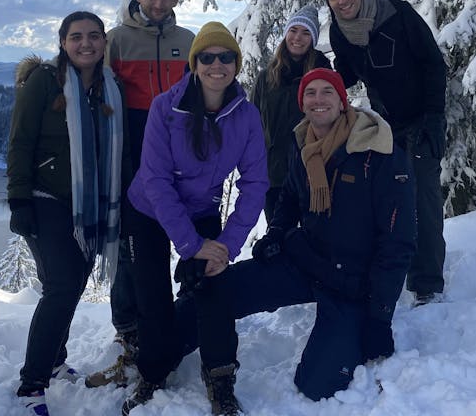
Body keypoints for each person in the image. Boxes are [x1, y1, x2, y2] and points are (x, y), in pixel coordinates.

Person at [176, 68, 416, 402]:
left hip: (353, 281)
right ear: (302, 102)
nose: (318, 100)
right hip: (307, 259)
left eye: (327, 92)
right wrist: (276, 233)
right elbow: (289, 195)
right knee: (219, 289)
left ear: (342, 100)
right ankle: (161, 346)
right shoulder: (303, 141)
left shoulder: (378, 152)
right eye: (310, 93)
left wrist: (380, 317)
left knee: (317, 385)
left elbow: (398, 243)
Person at [121, 22, 267, 416]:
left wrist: (226, 246)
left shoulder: (246, 115)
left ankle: (220, 377)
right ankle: (152, 374)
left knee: (214, 289)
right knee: (152, 296)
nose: (216, 65)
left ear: (236, 64)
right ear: (194, 62)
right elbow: (155, 180)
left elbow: (255, 183)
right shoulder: (165, 108)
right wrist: (192, 244)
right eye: (207, 56)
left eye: (225, 57)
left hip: (201, 208)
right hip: (149, 209)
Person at [6, 11, 127, 415]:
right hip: (45, 198)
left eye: (94, 36)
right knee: (61, 286)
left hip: (86, 207)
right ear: (63, 42)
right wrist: (19, 200)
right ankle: (31, 385)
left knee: (72, 283)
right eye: (76, 37)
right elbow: (20, 141)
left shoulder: (109, 88)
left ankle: (55, 360)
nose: (86, 44)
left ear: (104, 42)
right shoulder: (44, 81)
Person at [86, 0, 195, 388]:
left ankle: (180, 314)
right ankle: (128, 327)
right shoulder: (116, 41)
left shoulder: (186, 42)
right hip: (129, 157)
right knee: (131, 248)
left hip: (175, 158)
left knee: (180, 236)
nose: (158, 4)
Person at [322, 0, 447, 306]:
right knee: (393, 201)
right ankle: (397, 272)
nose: (342, 0)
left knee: (424, 201)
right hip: (387, 126)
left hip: (422, 119)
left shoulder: (397, 13)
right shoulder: (339, 32)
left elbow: (433, 64)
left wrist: (435, 118)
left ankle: (427, 285)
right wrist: (315, 76)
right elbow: (346, 76)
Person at [250, 5, 331, 223]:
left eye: (306, 33)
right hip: (274, 175)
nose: (298, 38)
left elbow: (336, 121)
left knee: (314, 240)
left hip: (314, 173)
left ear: (313, 38)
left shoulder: (323, 74)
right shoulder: (266, 78)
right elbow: (252, 124)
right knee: (279, 239)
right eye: (294, 30)